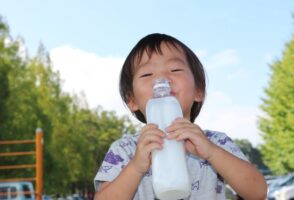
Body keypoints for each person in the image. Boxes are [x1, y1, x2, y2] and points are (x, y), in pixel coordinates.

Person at [93, 33, 267, 200]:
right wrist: (136, 166)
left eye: (175, 69)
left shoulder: (216, 142)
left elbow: (257, 192)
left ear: (198, 91)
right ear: (132, 100)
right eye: (147, 74)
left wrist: (212, 153)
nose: (161, 79)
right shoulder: (125, 150)